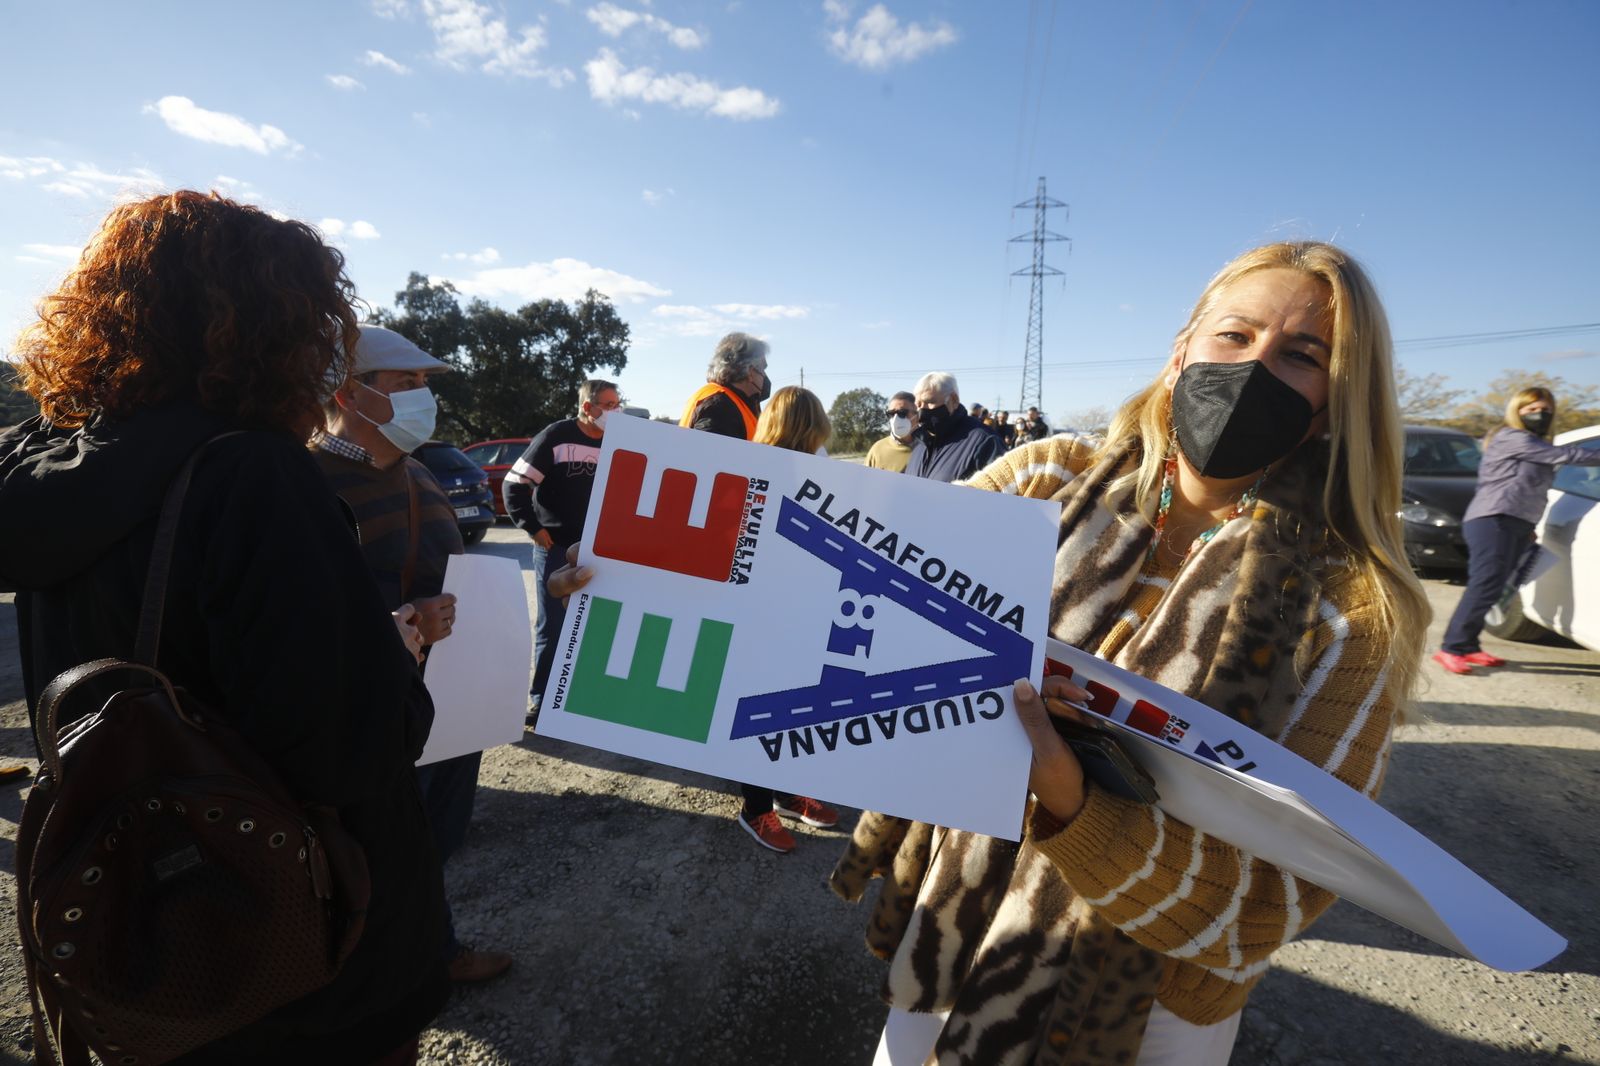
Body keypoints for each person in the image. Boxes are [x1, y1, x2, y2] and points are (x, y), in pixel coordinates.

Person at [830, 241, 1428, 1066]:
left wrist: (1079, 811)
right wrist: (624, 582)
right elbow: (847, 572)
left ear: (1335, 400)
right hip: (955, 919)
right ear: (1183, 349)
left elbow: (1278, 892)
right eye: (1235, 336)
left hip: (1147, 1008)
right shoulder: (1051, 481)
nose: (1253, 370)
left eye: (1301, 355)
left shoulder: (1353, 609)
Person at [0, 190, 448, 1064]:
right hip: (297, 959)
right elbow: (351, 748)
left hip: (143, 926)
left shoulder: (47, 472)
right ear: (270, 329)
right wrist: (392, 653)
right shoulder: (253, 475)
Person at [312, 324, 513, 985]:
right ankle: (368, 974)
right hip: (369, 713)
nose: (424, 398)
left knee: (431, 842)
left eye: (425, 384)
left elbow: (454, 575)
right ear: (350, 392)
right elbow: (300, 613)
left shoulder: (420, 472)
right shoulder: (308, 481)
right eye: (407, 384)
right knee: (371, 850)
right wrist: (395, 624)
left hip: (446, 701)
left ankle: (430, 948)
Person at [680, 347, 837, 852]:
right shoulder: (744, 465)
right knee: (754, 704)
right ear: (809, 425)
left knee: (795, 704)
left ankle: (790, 792)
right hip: (752, 608)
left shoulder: (821, 469)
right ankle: (757, 808)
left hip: (801, 607)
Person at [1434, 387, 1600, 674]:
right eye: (1532, 410)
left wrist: (1528, 527)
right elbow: (1567, 455)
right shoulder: (1512, 437)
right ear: (1517, 412)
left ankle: (1469, 645)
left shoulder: (1534, 441)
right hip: (1492, 520)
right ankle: (1451, 647)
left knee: (1497, 588)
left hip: (1515, 523)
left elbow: (1531, 489)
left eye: (1546, 409)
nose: (1540, 414)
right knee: (1484, 585)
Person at [505, 379, 622, 722]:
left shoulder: (618, 442)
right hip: (556, 547)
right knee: (554, 625)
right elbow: (515, 483)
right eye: (610, 405)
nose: (616, 411)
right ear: (588, 407)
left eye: (618, 403)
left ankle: (584, 698)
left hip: (600, 550)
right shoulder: (556, 436)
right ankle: (542, 700)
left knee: (596, 624)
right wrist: (534, 528)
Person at [905, 371, 1003, 482]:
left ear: (954, 400)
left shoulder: (984, 442)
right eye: (918, 405)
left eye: (929, 402)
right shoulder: (920, 443)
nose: (922, 410)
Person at [679, 331, 769, 438]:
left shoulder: (731, 401)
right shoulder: (720, 406)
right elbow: (711, 452)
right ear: (750, 371)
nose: (764, 375)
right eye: (763, 368)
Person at [865, 391, 918, 473]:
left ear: (917, 415)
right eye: (891, 414)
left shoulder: (930, 447)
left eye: (902, 413)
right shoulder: (877, 450)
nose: (896, 418)